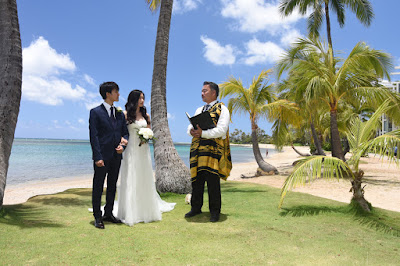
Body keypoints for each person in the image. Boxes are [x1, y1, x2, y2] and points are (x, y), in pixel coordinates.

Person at [116, 90, 176, 226]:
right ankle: (130, 210)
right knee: (131, 176)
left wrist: (146, 137)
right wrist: (122, 142)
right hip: (131, 148)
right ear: (133, 99)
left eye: (143, 98)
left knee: (143, 177)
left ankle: (145, 209)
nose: (142, 100)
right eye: (139, 98)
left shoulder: (146, 115)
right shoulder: (125, 115)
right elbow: (120, 132)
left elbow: (149, 130)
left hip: (143, 150)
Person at [185, 81, 232, 222]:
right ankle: (195, 208)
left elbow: (222, 130)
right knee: (197, 181)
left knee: (213, 182)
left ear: (213, 93)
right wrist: (192, 131)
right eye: (201, 91)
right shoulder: (199, 109)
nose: (202, 93)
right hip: (198, 151)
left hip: (213, 152)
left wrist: (203, 133)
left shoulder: (223, 109)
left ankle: (215, 212)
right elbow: (190, 126)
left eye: (205, 91)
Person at [89, 82, 129, 229]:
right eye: (116, 92)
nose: (118, 94)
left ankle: (109, 213)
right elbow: (94, 136)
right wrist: (97, 157)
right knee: (98, 186)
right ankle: (97, 216)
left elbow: (125, 133)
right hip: (102, 157)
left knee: (112, 186)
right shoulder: (95, 112)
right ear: (108, 94)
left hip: (116, 156)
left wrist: (123, 145)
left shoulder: (119, 114)